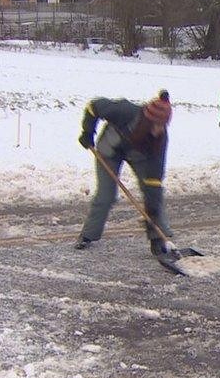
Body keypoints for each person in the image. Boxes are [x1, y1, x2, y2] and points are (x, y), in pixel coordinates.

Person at [75, 90, 176, 255]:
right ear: (148, 119)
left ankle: (159, 238)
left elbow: (154, 182)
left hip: (138, 156)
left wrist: (151, 214)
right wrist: (87, 132)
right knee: (105, 195)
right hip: (109, 151)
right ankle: (88, 235)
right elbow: (93, 107)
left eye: (163, 125)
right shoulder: (125, 111)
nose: (159, 129)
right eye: (156, 125)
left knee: (153, 195)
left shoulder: (159, 140)